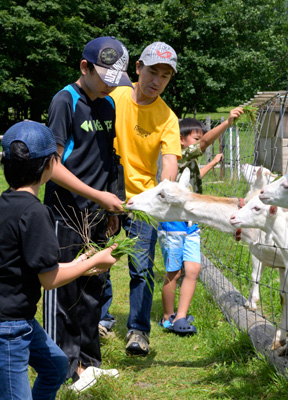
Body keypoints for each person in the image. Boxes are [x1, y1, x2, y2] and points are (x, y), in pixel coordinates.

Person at [0, 121, 119, 400]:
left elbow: (33, 267)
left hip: (6, 313)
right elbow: (49, 280)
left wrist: (79, 264)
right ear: (49, 165)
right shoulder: (37, 213)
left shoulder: (7, 201)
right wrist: (92, 262)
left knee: (55, 366)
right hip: (3, 326)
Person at [41, 36, 130, 392]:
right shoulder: (65, 101)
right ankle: (64, 368)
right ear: (84, 67)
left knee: (94, 286)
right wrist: (98, 196)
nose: (110, 83)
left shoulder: (108, 105)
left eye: (115, 77)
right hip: (66, 211)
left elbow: (109, 159)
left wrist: (113, 205)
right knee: (65, 291)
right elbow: (51, 166)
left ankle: (90, 363)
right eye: (105, 75)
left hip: (97, 214)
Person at [105, 41, 182, 356]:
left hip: (143, 202)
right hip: (105, 194)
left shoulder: (167, 117)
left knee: (141, 267)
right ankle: (100, 320)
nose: (157, 81)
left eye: (165, 76)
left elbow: (170, 165)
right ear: (138, 68)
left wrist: (162, 193)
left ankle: (138, 330)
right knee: (100, 260)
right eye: (153, 71)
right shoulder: (115, 97)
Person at [158, 109, 243, 335]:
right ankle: (168, 317)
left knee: (193, 270)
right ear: (181, 141)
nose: (199, 141)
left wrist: (214, 162)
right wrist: (227, 123)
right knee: (174, 272)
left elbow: (197, 177)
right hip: (174, 223)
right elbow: (205, 143)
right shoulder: (177, 157)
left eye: (198, 137)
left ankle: (181, 316)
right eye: (195, 138)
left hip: (191, 223)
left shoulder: (189, 162)